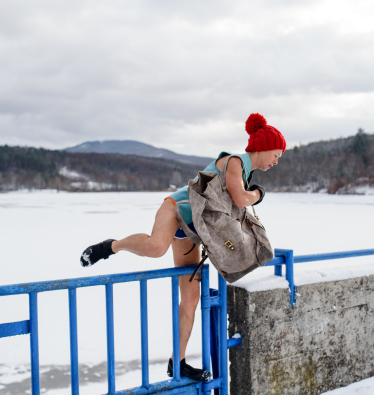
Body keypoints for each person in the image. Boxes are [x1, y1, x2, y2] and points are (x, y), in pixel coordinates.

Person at [79, 113, 286, 381]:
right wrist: (259, 194)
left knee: (190, 299)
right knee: (155, 247)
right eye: (276, 155)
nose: (276, 162)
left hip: (191, 230)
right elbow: (240, 198)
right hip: (176, 209)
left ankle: (177, 364)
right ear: (265, 146)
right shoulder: (235, 161)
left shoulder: (244, 172)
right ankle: (111, 246)